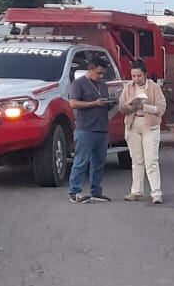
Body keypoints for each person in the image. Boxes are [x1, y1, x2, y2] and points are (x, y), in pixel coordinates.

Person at [66, 54, 113, 203]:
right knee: (81, 161)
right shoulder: (78, 84)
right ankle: (74, 192)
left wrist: (109, 103)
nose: (101, 76)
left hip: (102, 128)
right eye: (98, 73)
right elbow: (73, 104)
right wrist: (94, 103)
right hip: (85, 129)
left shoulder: (103, 85)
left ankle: (96, 191)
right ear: (90, 69)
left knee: (99, 162)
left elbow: (103, 102)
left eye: (102, 74)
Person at [119, 59, 167, 204]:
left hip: (149, 126)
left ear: (145, 74)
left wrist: (144, 107)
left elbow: (161, 108)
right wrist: (131, 106)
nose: (136, 79)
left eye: (139, 76)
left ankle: (156, 193)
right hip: (133, 125)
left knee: (151, 161)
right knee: (136, 160)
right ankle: (136, 191)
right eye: (133, 76)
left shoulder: (154, 88)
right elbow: (122, 107)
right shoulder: (128, 87)